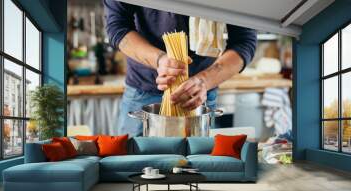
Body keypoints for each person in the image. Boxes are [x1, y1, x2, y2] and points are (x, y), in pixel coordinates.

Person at [104, 0, 257, 136]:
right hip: (143, 94)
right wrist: (159, 60)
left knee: (196, 164)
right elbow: (117, 26)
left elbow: (244, 41)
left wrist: (204, 81)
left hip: (199, 97)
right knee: (133, 164)